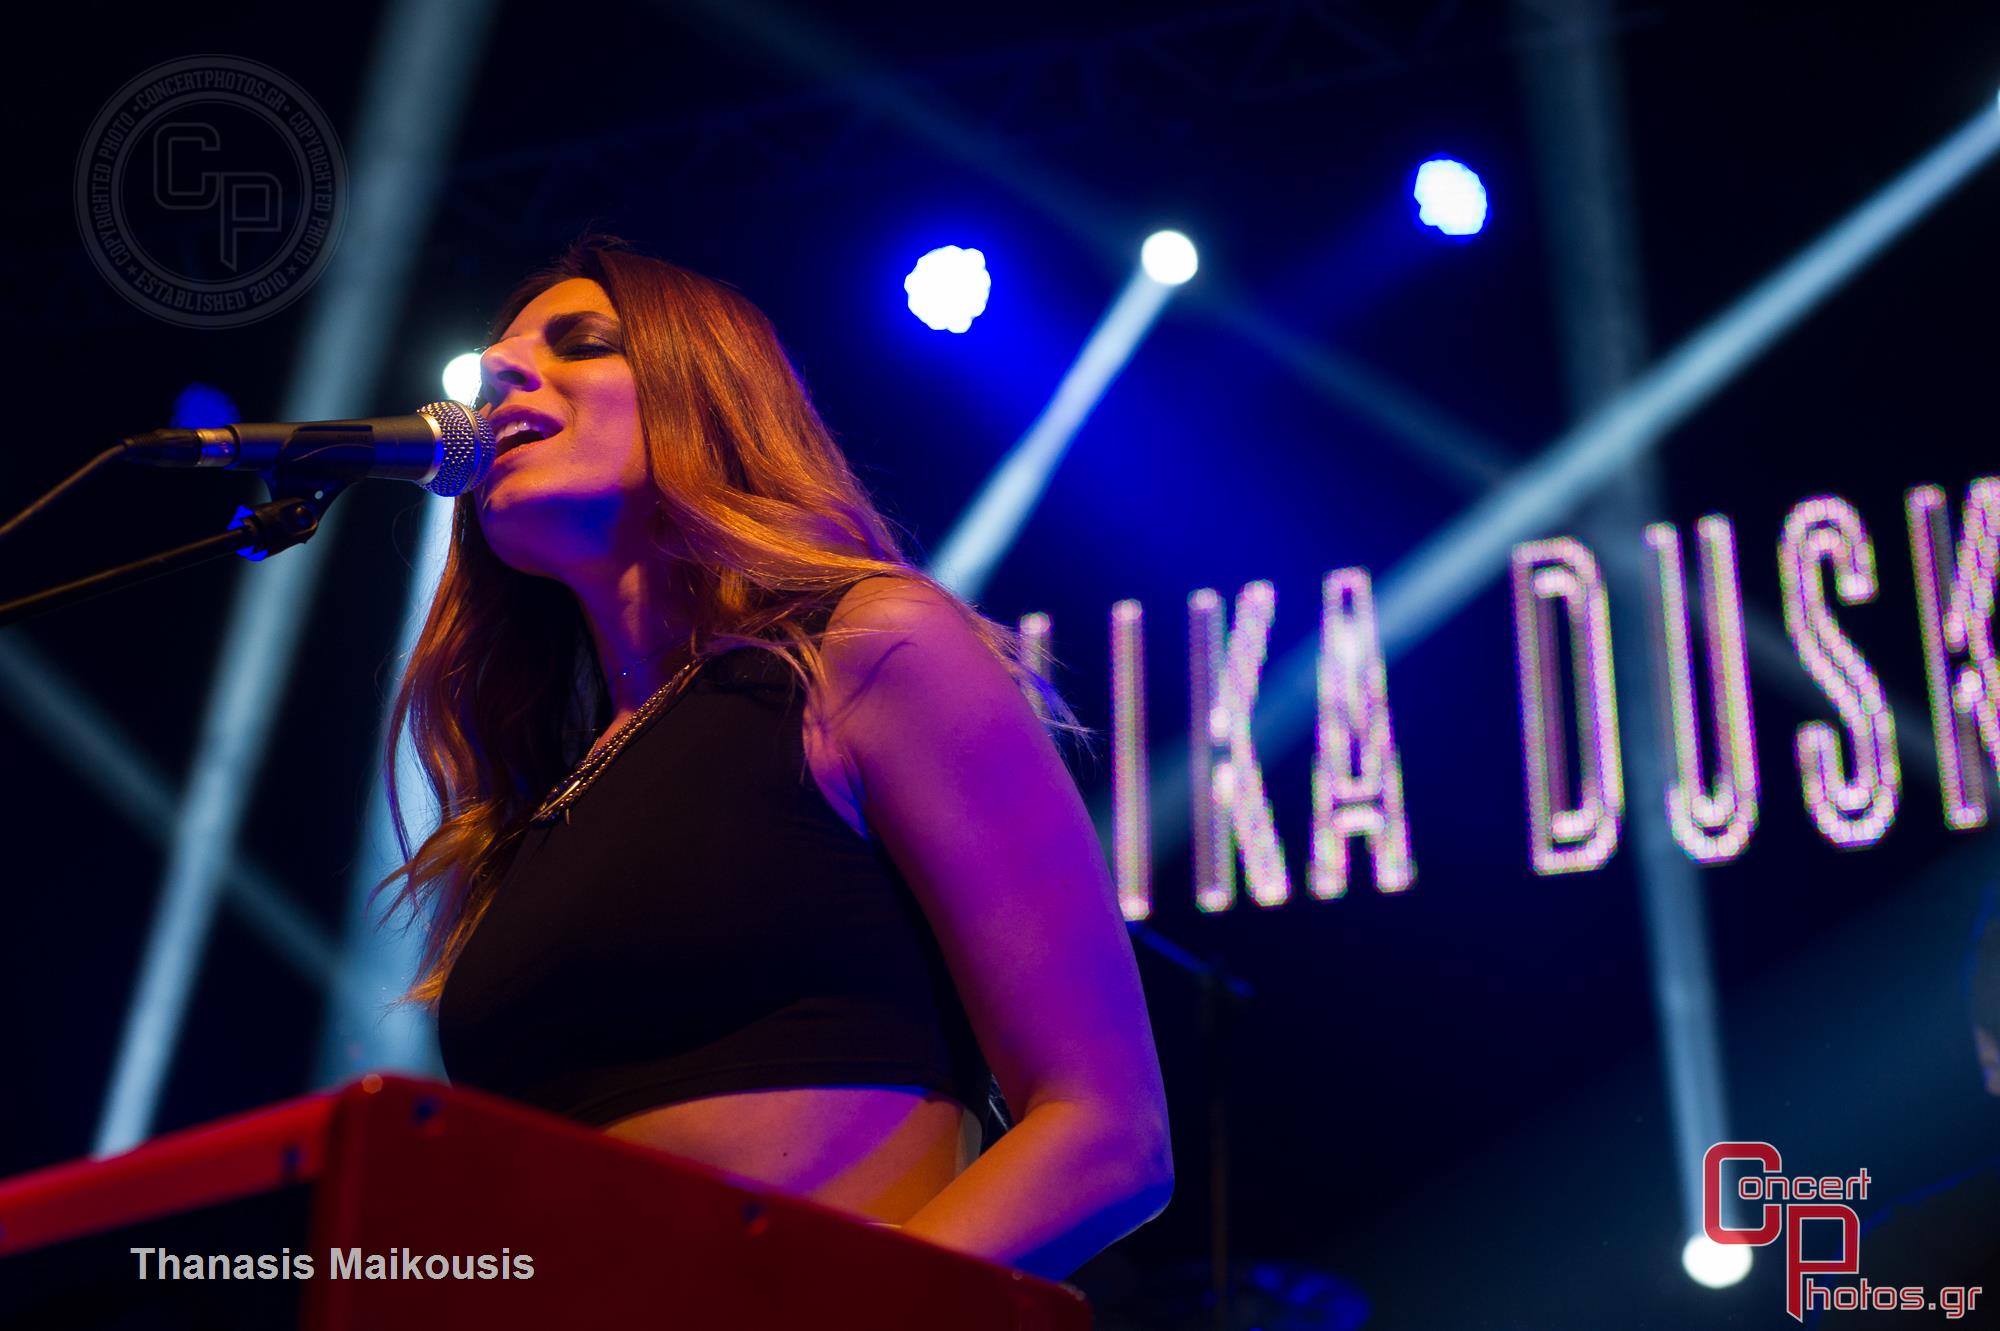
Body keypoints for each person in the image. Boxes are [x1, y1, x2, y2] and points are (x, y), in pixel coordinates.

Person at [373, 234, 1173, 1284]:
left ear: (705, 395)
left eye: (582, 342)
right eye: (494, 362)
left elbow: (1106, 1133)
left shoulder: (867, 647)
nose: (499, 370)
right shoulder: (537, 811)